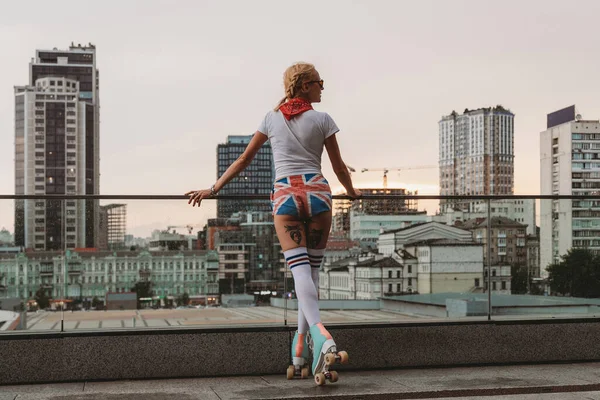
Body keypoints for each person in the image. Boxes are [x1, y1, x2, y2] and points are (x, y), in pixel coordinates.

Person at [186, 62, 360, 380]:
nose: (323, 87)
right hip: (319, 197)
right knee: (312, 274)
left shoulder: (271, 117)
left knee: (300, 274)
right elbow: (339, 168)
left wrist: (212, 190)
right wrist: (352, 192)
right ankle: (303, 346)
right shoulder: (323, 119)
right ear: (305, 85)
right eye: (319, 82)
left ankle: (314, 341)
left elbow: (243, 159)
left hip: (286, 199)